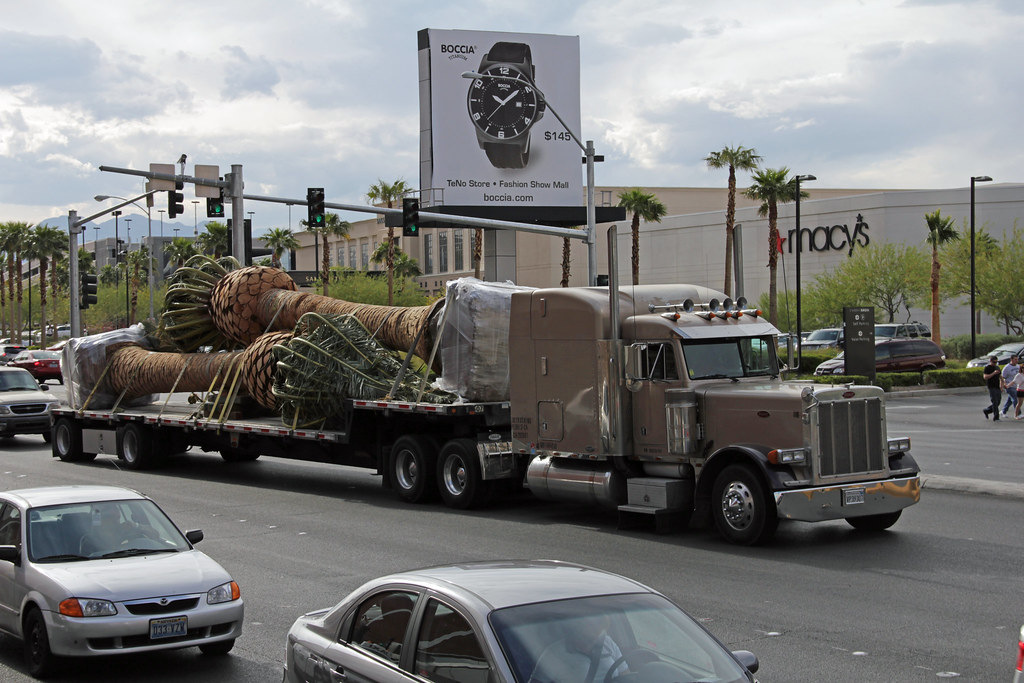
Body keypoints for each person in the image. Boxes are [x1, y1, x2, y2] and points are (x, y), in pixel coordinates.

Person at [982, 355, 1002, 421]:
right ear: (990, 361)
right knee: (995, 402)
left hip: (997, 386)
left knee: (998, 401)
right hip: (991, 386)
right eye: (993, 362)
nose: (995, 363)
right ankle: (996, 417)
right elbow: (985, 377)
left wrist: (1002, 385)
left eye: (996, 362)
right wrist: (993, 373)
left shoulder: (997, 367)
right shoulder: (987, 368)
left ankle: (987, 410)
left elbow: (1001, 377)